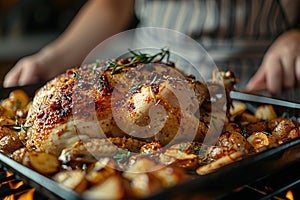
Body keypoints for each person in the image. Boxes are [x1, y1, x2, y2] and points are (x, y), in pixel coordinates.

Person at [3, 0, 300, 95]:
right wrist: (50, 58)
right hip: (140, 89)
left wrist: (296, 36)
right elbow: (112, 5)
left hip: (255, 91)